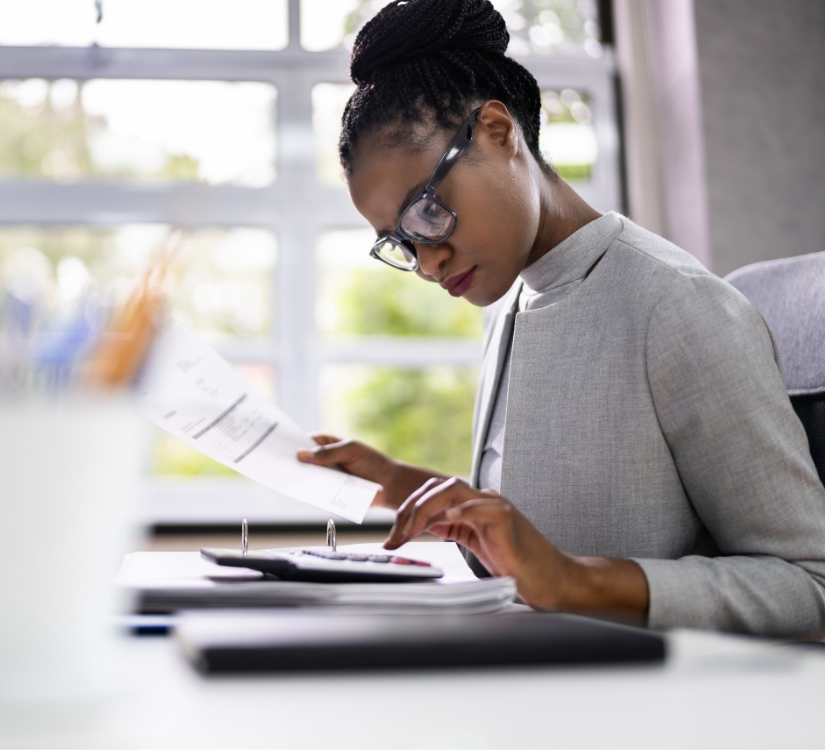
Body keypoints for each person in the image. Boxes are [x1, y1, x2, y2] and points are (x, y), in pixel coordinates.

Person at [296, 0, 825, 640]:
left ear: (497, 130)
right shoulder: (509, 303)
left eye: (428, 213)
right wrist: (404, 484)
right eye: (401, 244)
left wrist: (579, 582)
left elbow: (809, 582)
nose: (429, 262)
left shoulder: (678, 307)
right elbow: (535, 541)